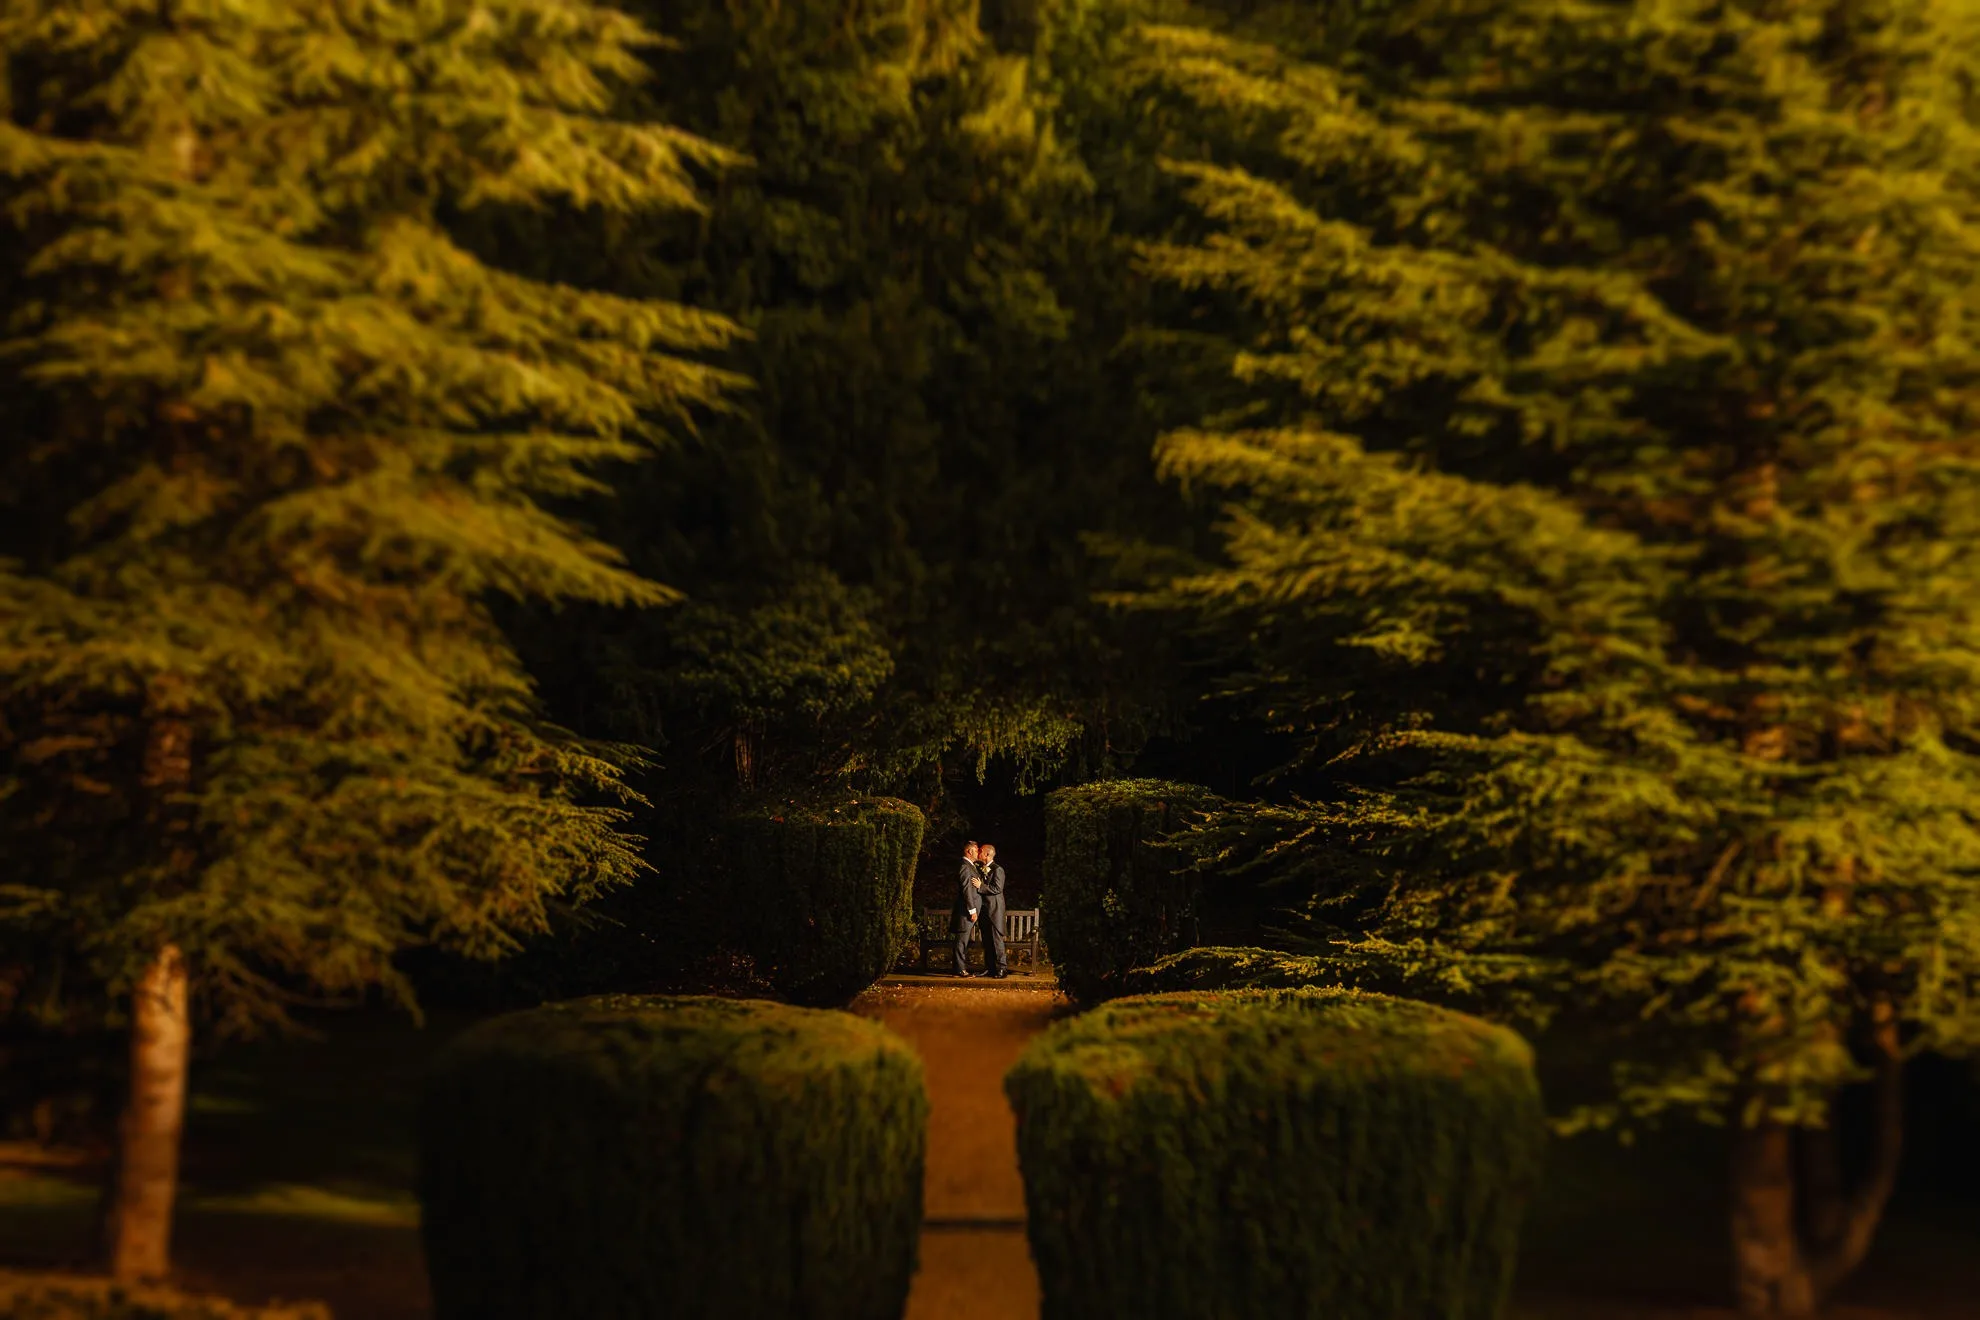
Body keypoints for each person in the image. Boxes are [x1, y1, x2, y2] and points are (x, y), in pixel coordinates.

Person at [976, 842, 1009, 978]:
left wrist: (980, 886)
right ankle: (989, 968)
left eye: (981, 852)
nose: (978, 854)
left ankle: (1002, 969)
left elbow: (997, 888)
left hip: (994, 910)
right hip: (984, 911)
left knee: (996, 941)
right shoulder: (980, 868)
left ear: (987, 854)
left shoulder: (997, 869)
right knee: (987, 941)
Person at [951, 841, 983, 978]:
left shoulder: (970, 866)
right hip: (965, 911)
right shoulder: (965, 866)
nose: (978, 853)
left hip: (968, 910)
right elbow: (966, 890)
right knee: (961, 940)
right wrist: (972, 910)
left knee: (963, 940)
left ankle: (960, 967)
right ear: (969, 851)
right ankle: (959, 969)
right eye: (976, 851)